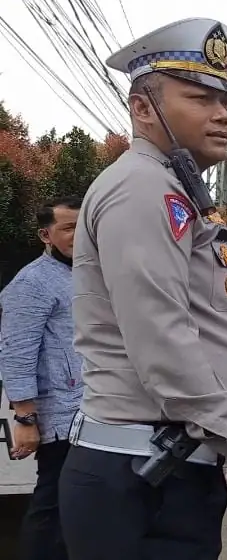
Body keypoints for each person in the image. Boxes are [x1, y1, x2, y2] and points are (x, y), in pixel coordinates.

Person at [60, 18, 227, 560]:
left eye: (225, 100)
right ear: (143, 109)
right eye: (199, 97)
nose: (222, 114)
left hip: (162, 472)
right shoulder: (141, 189)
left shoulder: (171, 187)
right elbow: (162, 339)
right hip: (140, 478)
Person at [0, 197, 83, 560]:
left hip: (95, 411)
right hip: (60, 418)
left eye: (84, 225)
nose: (78, 235)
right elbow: (16, 353)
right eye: (68, 228)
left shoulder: (90, 273)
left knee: (80, 508)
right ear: (45, 235)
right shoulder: (32, 282)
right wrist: (25, 417)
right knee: (52, 507)